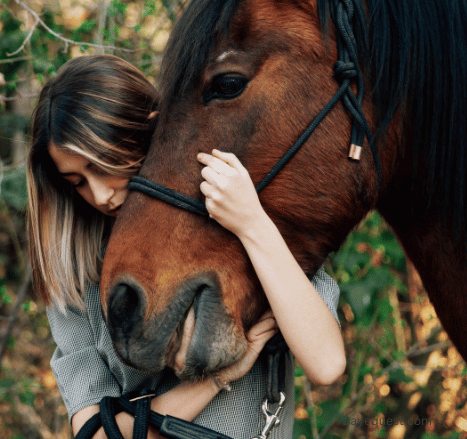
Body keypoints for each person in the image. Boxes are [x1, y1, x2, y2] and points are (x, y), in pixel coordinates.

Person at [26, 55, 345, 439]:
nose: (100, 195)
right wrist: (214, 380)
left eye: (104, 164)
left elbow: (326, 362)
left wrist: (252, 223)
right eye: (77, 181)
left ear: (148, 130)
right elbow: (93, 435)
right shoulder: (74, 277)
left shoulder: (235, 221)